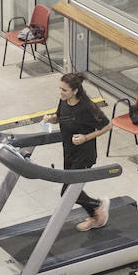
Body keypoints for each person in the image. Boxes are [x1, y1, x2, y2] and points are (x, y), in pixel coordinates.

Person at [43, 72, 112, 231]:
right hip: (68, 151)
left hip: (84, 153)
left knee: (67, 191)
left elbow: (108, 125)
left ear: (75, 91)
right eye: (60, 89)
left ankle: (98, 205)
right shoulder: (64, 101)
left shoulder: (87, 107)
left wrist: (86, 137)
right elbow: (59, 117)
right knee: (72, 189)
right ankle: (96, 216)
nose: (61, 93)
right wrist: (50, 119)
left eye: (64, 90)